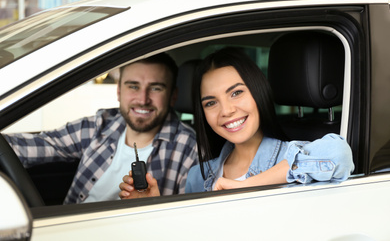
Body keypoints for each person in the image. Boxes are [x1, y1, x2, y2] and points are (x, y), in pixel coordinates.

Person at [119, 47, 354, 199]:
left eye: (236, 93)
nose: (227, 111)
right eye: (211, 103)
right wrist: (154, 205)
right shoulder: (198, 177)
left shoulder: (290, 157)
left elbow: (339, 154)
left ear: (258, 91)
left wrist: (247, 186)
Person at [4, 53, 198, 204]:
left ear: (173, 96)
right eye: (133, 86)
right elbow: (35, 146)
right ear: (119, 91)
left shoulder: (190, 149)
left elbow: (187, 222)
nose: (143, 99)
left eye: (156, 88)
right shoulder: (101, 125)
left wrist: (153, 207)